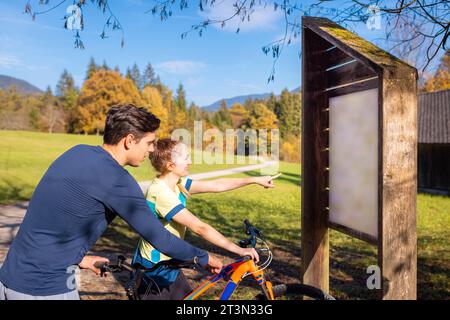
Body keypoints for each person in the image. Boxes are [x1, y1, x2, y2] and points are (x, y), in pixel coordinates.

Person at [0, 104, 222, 300]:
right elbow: (160, 238)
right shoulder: (118, 181)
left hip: (9, 277)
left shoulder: (76, 153)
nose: (152, 150)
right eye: (150, 143)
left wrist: (80, 259)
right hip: (44, 288)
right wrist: (204, 257)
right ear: (129, 141)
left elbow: (54, 220)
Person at [132, 138, 279, 300]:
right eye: (185, 158)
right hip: (153, 272)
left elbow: (217, 185)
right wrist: (239, 250)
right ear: (170, 165)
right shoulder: (160, 192)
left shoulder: (178, 183)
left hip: (170, 265)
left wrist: (254, 180)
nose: (190, 161)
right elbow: (200, 228)